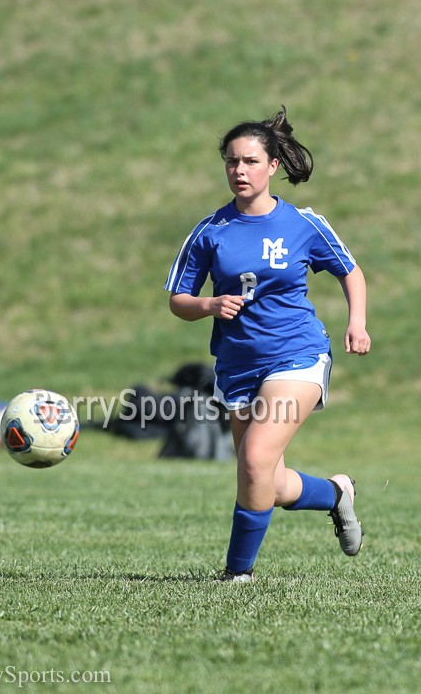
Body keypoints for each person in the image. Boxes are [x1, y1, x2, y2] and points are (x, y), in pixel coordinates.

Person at [165, 106, 371, 582]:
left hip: (297, 355)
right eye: (232, 162)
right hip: (237, 367)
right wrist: (210, 307)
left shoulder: (303, 223)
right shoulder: (210, 231)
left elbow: (350, 270)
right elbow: (178, 299)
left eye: (251, 161)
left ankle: (238, 575)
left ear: (273, 165)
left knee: (255, 461)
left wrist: (356, 322)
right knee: (267, 480)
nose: (240, 170)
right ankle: (338, 494)